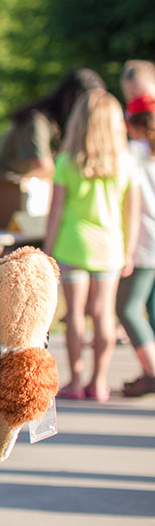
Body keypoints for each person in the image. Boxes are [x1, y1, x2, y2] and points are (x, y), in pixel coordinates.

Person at [45, 89, 134, 402]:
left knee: (75, 316)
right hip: (110, 246)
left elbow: (55, 211)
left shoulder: (67, 161)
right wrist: (129, 250)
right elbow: (130, 212)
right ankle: (99, 382)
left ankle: (75, 379)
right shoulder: (125, 163)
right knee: (103, 314)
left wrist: (48, 249)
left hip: (72, 244)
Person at [0, 68, 105, 228]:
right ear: (74, 100)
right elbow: (44, 167)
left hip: (28, 195)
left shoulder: (60, 124)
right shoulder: (36, 121)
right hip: (2, 192)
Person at [118, 93, 155, 396]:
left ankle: (152, 371)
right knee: (152, 310)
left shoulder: (131, 153)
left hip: (144, 242)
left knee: (127, 308)